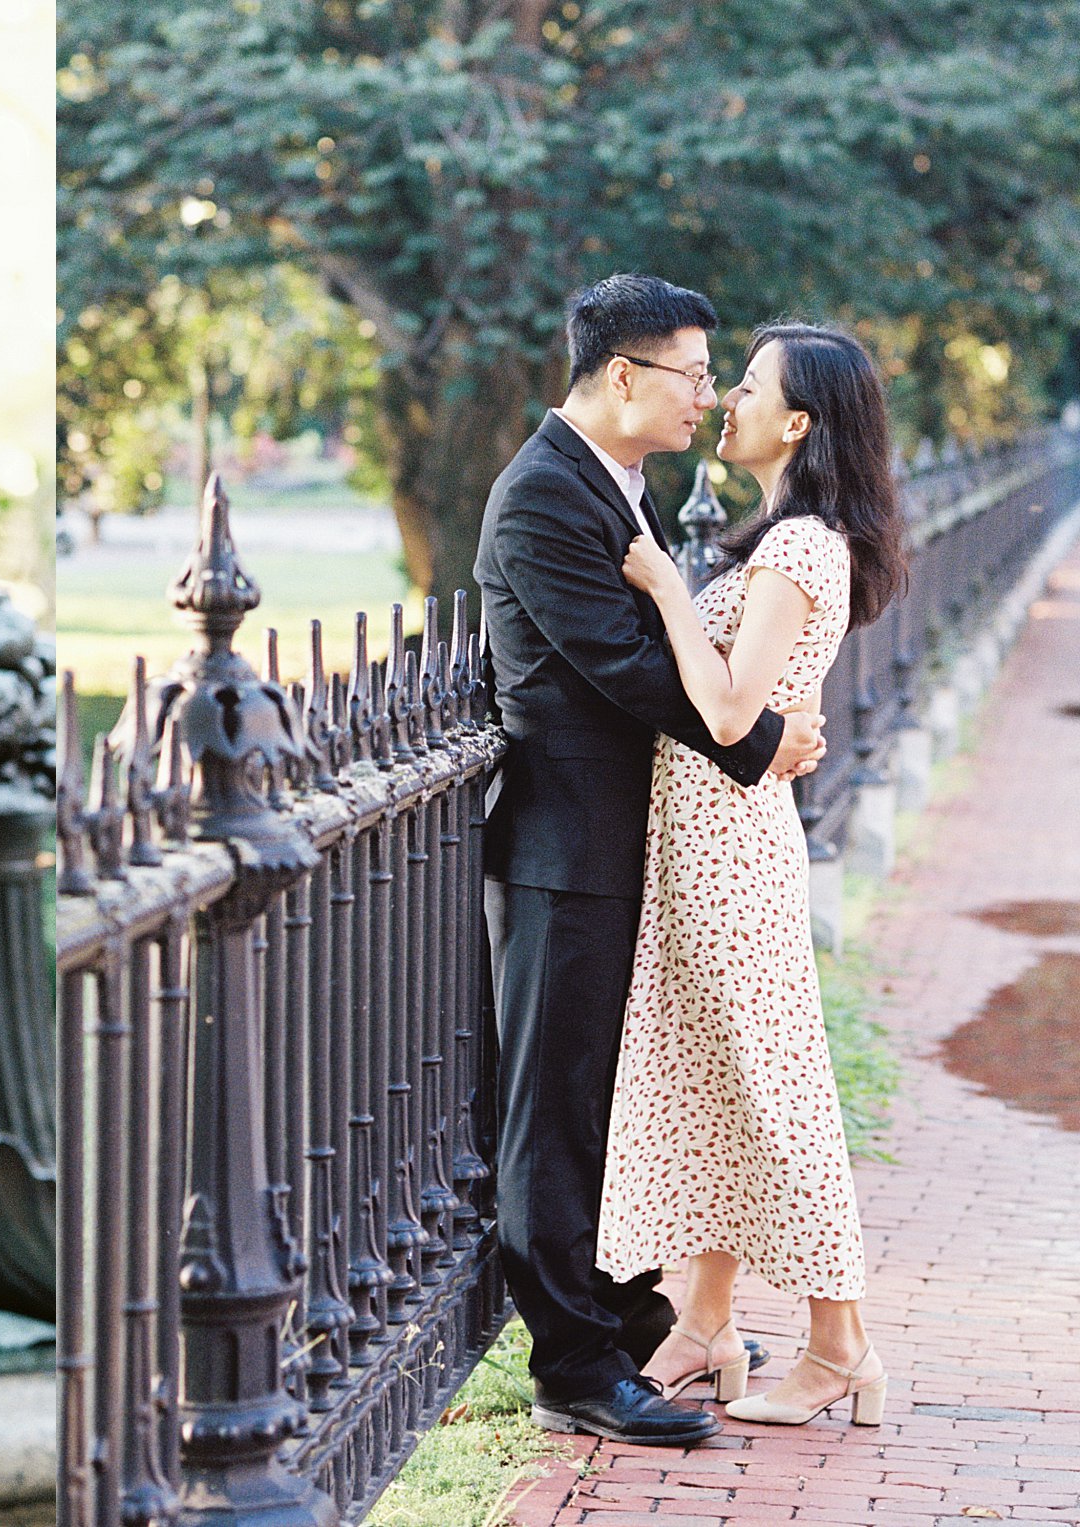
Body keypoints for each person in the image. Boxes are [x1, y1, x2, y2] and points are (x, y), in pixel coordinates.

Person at [473, 274, 829, 1445]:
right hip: (564, 850)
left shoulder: (621, 483)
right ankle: (572, 1365)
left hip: (635, 844)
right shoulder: (539, 496)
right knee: (553, 1110)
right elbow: (620, 668)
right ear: (621, 374)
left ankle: (624, 1317)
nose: (704, 397)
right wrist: (762, 738)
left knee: (609, 1099)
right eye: (688, 373)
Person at [604, 323, 904, 1428]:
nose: (721, 399)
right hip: (702, 847)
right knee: (717, 1089)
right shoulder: (778, 540)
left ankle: (838, 1347)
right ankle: (704, 1325)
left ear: (797, 423)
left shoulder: (799, 549)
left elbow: (729, 709)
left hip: (730, 857)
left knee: (777, 1100)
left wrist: (663, 587)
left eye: (744, 386)